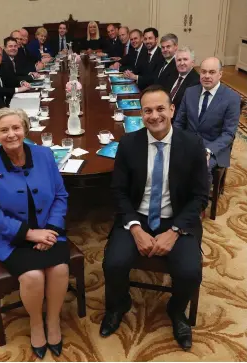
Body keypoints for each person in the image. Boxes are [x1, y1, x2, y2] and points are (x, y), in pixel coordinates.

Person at [101, 84, 208, 351]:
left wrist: (175, 232)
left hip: (177, 219)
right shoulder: (128, 143)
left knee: (189, 271)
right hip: (138, 216)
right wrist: (135, 229)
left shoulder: (192, 144)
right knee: (113, 263)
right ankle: (119, 304)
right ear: (141, 114)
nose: (154, 115)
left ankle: (176, 310)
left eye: (160, 108)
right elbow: (118, 191)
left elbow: (199, 197)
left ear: (172, 110)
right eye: (147, 110)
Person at [0, 108, 70, 359]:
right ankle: (36, 323)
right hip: (10, 236)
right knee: (32, 277)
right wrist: (30, 235)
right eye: (4, 130)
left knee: (60, 269)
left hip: (49, 229)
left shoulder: (44, 155)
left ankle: (52, 321)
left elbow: (61, 196)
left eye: (16, 128)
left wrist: (50, 230)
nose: (11, 134)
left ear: (25, 130)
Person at [174, 57, 241, 185]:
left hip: (213, 146)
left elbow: (228, 134)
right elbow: (179, 122)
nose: (206, 76)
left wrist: (208, 150)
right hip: (188, 141)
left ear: (220, 74)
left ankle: (198, 200)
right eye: (203, 72)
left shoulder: (232, 98)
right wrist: (177, 141)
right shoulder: (190, 92)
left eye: (212, 72)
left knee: (201, 167)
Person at [170, 46, 200, 117]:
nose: (182, 63)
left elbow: (186, 112)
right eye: (179, 60)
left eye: (185, 59)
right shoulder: (173, 74)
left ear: (193, 62)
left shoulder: (196, 82)